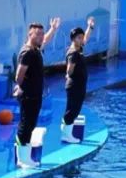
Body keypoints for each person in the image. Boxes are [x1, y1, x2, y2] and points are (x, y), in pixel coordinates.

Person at [13, 18, 60, 168]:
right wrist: (20, 87)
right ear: (30, 35)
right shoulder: (27, 53)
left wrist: (53, 29)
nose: (40, 37)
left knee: (31, 124)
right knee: (26, 125)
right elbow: (19, 75)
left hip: (35, 94)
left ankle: (25, 156)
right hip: (28, 94)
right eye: (37, 34)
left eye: (41, 34)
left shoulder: (35, 50)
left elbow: (45, 40)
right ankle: (22, 159)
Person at [61, 17, 94, 143]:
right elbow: (69, 69)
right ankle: (66, 135)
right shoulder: (73, 52)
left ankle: (66, 132)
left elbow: (86, 39)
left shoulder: (78, 48)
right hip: (74, 85)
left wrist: (90, 27)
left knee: (75, 108)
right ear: (73, 39)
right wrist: (68, 74)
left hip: (79, 85)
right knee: (72, 109)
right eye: (78, 38)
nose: (81, 39)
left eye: (81, 37)